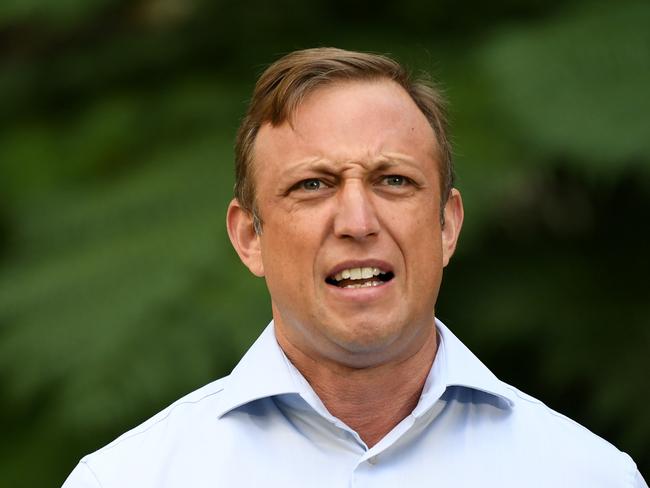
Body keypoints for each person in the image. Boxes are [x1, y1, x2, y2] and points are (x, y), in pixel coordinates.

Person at [62, 47, 647, 487]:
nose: (358, 221)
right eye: (312, 185)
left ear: (447, 225)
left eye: (393, 180)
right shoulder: (127, 478)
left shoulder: (589, 475)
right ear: (250, 238)